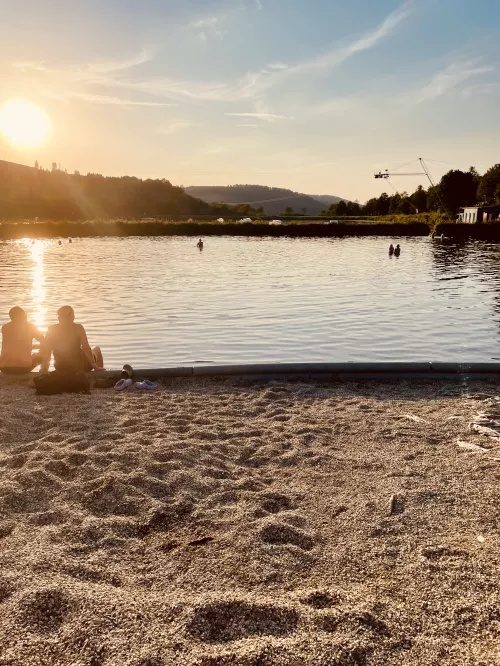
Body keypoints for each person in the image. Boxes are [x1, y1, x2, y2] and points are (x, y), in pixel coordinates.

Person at [40, 306, 103, 374]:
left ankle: (97, 371)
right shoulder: (78, 328)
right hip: (80, 366)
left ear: (59, 317)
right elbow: (86, 348)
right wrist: (94, 366)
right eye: (73, 314)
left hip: (60, 366)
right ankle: (99, 373)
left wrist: (44, 368)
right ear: (71, 317)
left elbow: (47, 350)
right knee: (96, 349)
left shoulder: (51, 329)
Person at [0, 307, 44, 374]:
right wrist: (38, 346)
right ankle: (44, 371)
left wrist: (32, 346)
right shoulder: (30, 327)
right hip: (23, 369)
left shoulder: (5, 327)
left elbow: (16, 344)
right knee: (40, 355)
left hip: (4, 368)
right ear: (24, 316)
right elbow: (42, 339)